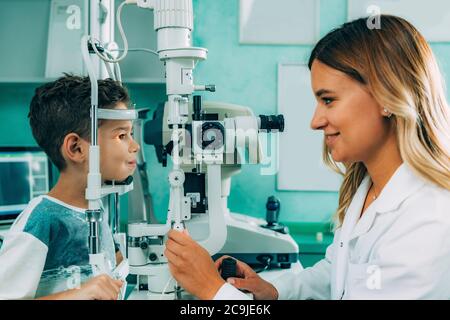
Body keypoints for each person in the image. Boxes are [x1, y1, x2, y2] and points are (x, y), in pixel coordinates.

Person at [164, 15, 450, 299]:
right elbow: (336, 273)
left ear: (387, 97)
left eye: (328, 100)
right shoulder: (369, 189)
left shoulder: (427, 219)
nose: (315, 121)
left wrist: (213, 290)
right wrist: (274, 291)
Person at [0, 75, 140, 299]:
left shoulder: (95, 206)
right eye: (122, 135)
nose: (134, 145)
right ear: (76, 148)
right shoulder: (43, 219)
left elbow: (99, 270)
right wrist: (80, 293)